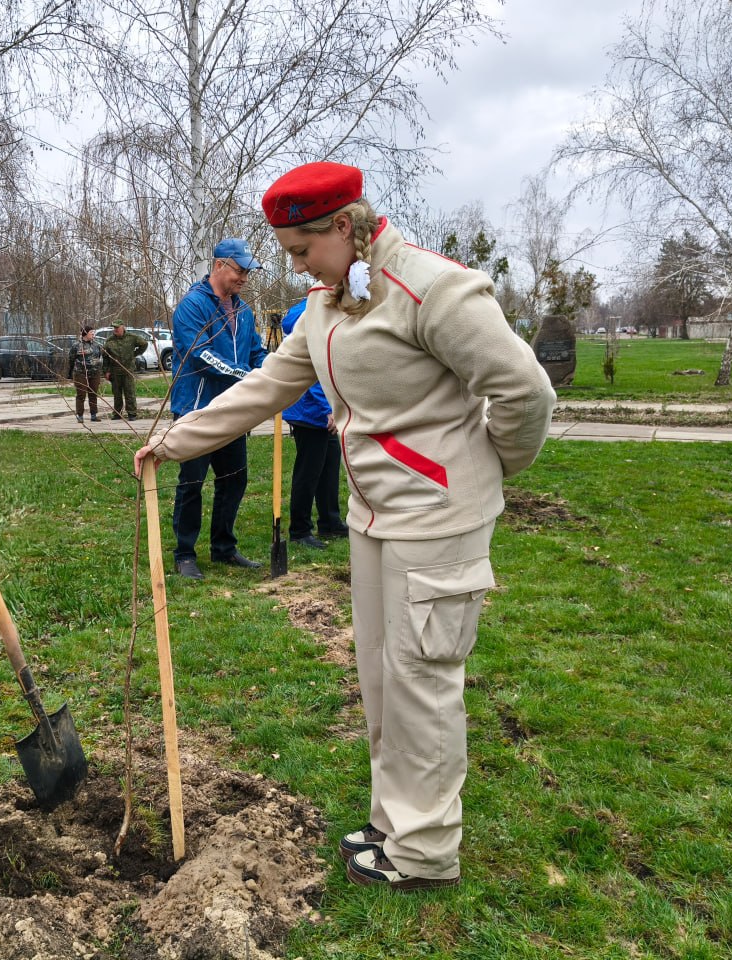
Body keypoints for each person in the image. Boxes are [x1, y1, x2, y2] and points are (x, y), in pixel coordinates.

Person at [135, 163, 555, 890]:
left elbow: (522, 389)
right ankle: (396, 821)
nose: (296, 267)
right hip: (372, 518)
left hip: (436, 520)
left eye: (302, 250)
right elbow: (269, 384)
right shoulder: (329, 304)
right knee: (383, 676)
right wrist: (174, 440)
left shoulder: (435, 288)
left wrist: (487, 467)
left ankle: (425, 854)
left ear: (343, 226)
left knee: (423, 679)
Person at [165, 237, 267, 580]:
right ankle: (184, 554)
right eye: (240, 270)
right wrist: (244, 375)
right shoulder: (193, 306)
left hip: (233, 411)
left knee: (233, 481)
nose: (244, 278)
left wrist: (269, 371)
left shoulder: (244, 312)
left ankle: (223, 548)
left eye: (247, 273)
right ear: (220, 265)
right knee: (191, 482)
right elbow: (199, 353)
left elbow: (256, 352)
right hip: (197, 409)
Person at [279, 299, 349, 549]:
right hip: (309, 410)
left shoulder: (325, 310)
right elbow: (313, 372)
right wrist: (326, 409)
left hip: (324, 410)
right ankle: (300, 530)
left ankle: (330, 522)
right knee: (308, 472)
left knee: (329, 467)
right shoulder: (310, 316)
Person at [101, 322, 147, 420]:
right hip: (115, 370)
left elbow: (144, 344)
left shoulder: (132, 337)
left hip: (128, 369)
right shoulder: (110, 341)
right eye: (114, 328)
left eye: (117, 327)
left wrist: (134, 354)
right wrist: (106, 371)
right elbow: (105, 356)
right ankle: (117, 413)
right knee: (117, 393)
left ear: (123, 327)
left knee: (129, 392)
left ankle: (132, 413)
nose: (115, 329)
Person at [68, 325, 104, 422]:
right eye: (91, 332)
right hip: (81, 373)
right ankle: (80, 415)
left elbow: (100, 357)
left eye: (93, 332)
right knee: (81, 394)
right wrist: (71, 372)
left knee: (93, 393)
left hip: (95, 374)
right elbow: (71, 358)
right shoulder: (76, 345)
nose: (93, 334)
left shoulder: (96, 345)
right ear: (85, 333)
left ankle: (93, 415)